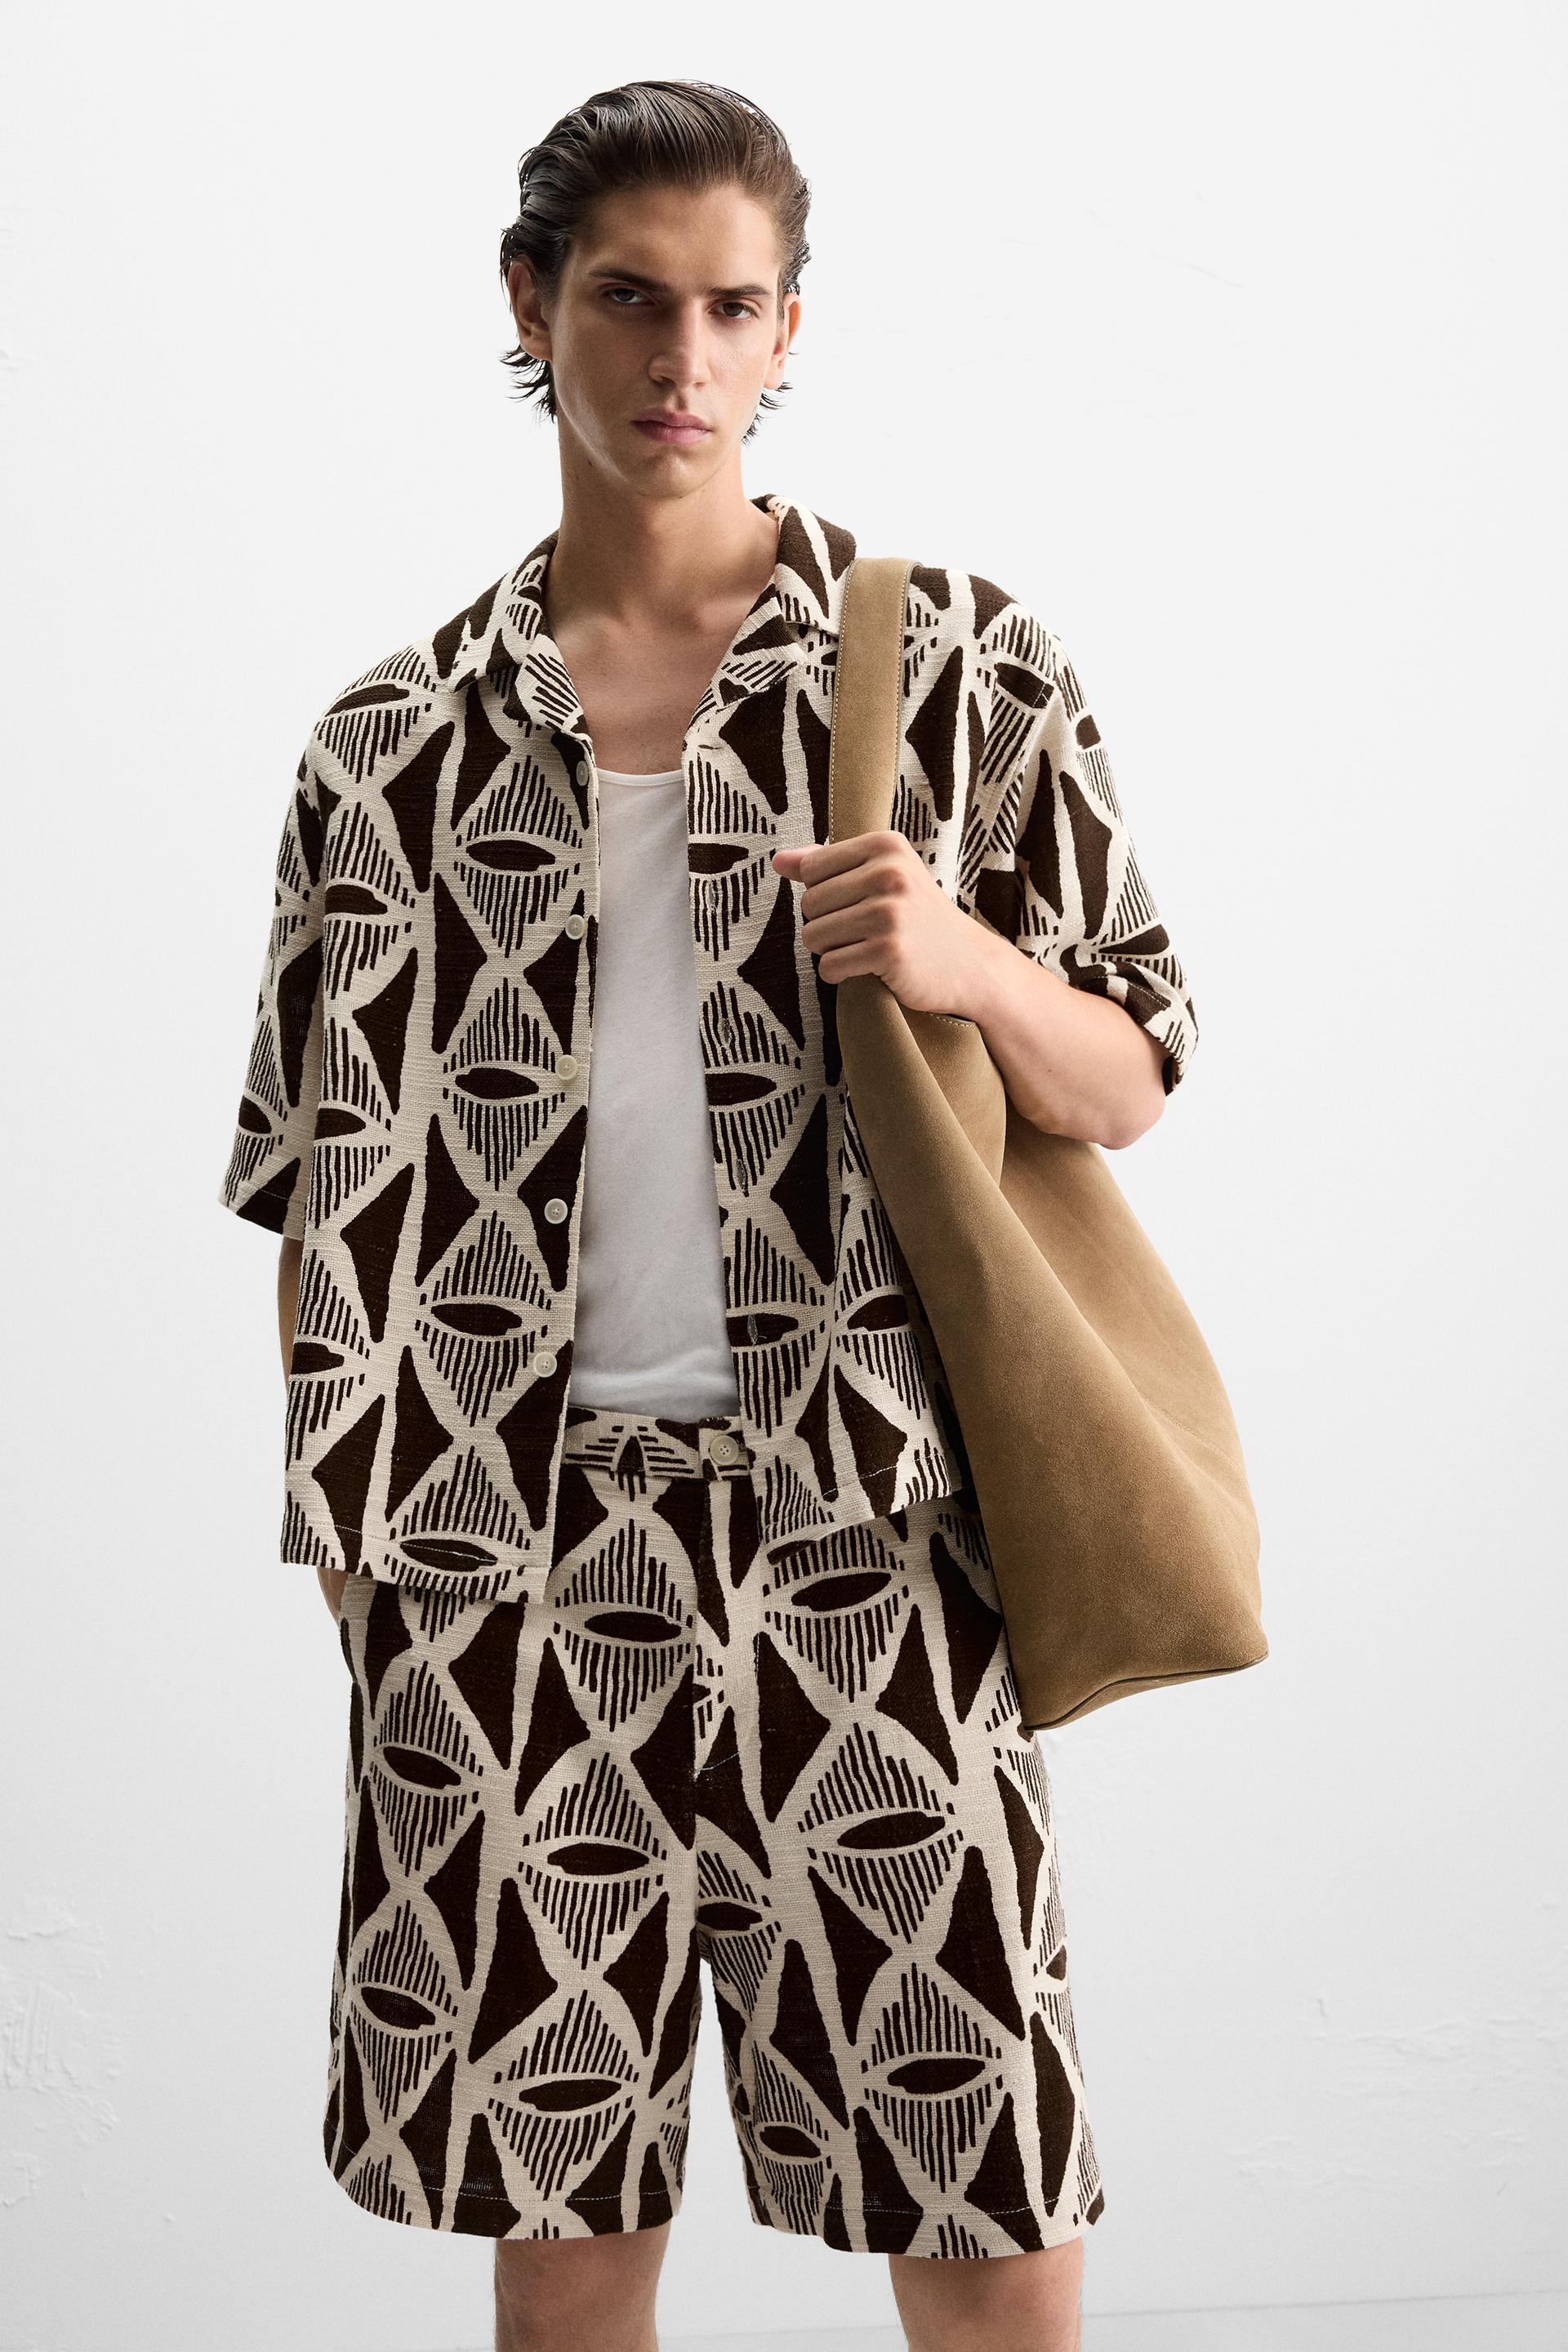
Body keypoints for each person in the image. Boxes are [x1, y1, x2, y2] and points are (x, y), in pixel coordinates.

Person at [217, 78, 1198, 2352]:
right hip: (503, 1563)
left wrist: (961, 961)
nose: (682, 358)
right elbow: (310, 1180)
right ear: (529, 305)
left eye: (733, 308)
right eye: (630, 299)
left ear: (790, 329)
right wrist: (364, 1560)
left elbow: (1131, 1076)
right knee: (566, 2260)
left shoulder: (959, 667)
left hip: (876, 1540)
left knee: (987, 2218)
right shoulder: (391, 746)